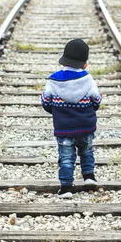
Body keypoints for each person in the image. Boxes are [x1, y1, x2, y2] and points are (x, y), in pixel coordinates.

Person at [41, 39, 102, 198]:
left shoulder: (53, 80)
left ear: (63, 61)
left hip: (64, 129)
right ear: (85, 64)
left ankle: (66, 188)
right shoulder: (88, 79)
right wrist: (90, 110)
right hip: (86, 126)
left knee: (66, 158)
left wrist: (56, 112)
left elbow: (45, 101)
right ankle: (89, 177)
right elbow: (97, 100)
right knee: (87, 151)